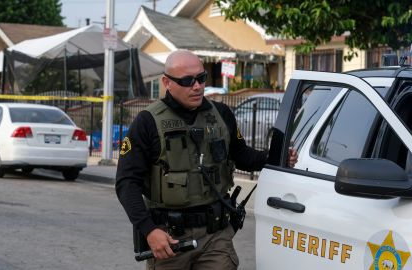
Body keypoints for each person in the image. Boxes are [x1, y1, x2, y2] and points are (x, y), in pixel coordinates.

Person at [116, 50, 297, 270]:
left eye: (201, 78)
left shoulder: (221, 114)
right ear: (167, 82)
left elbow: (242, 156)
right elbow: (126, 182)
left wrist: (277, 158)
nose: (197, 86)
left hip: (215, 236)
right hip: (170, 240)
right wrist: (150, 230)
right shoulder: (147, 122)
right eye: (187, 81)